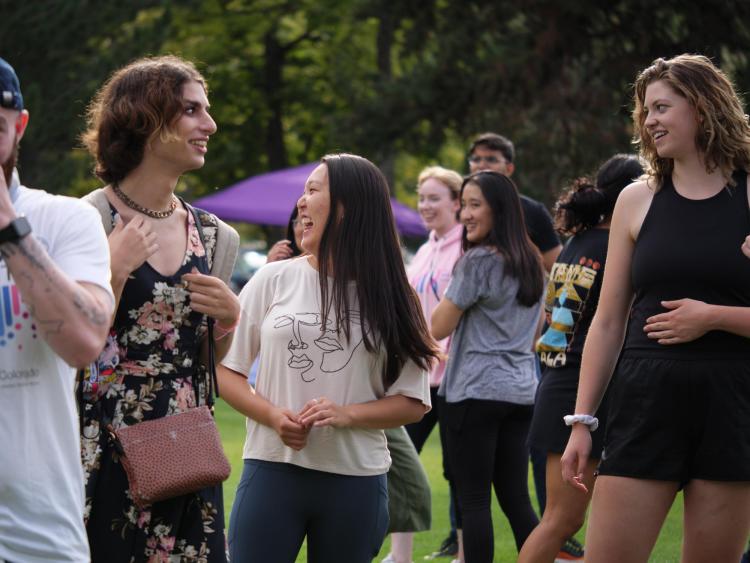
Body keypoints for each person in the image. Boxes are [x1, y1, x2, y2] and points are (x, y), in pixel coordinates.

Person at [561, 54, 750, 562]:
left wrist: (713, 317)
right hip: (646, 399)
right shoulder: (635, 199)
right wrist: (582, 420)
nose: (649, 122)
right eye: (645, 111)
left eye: (662, 107)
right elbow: (606, 320)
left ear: (703, 109)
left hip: (733, 403)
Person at [219, 153, 438, 563]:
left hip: (356, 479)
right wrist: (272, 417)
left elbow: (412, 401)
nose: (301, 203)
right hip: (272, 468)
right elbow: (227, 371)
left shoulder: (395, 295)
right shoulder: (272, 278)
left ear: (349, 207)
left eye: (313, 190)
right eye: (303, 192)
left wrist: (346, 414)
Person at [78, 56, 240, 562]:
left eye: (205, 110)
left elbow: (207, 360)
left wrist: (229, 319)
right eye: (191, 111)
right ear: (146, 119)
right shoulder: (87, 219)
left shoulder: (216, 237)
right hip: (103, 445)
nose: (208, 125)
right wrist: (113, 272)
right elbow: (63, 342)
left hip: (184, 448)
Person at [0, 57, 114, 563]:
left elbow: (84, 342)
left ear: (18, 126)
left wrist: (8, 227)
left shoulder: (64, 219)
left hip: (36, 535)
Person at [518, 154, 644, 563]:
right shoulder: (615, 247)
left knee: (569, 518)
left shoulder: (579, 243)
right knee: (561, 520)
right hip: (578, 391)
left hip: (558, 383)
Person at [432, 171, 545, 562]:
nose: (464, 214)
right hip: (520, 393)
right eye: (463, 204)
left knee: (474, 499)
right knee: (516, 498)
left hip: (474, 392)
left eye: (474, 204)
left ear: (500, 210)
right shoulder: (532, 262)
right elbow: (537, 333)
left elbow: (438, 326)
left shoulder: (478, 262)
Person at [383, 166, 464, 563]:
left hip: (455, 377)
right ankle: (400, 555)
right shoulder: (426, 248)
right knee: (398, 463)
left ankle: (465, 553)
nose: (426, 205)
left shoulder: (466, 246)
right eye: (422, 197)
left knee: (458, 469)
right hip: (417, 376)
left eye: (435, 198)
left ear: (456, 202)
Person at [467, 132, 561, 272]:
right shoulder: (456, 208)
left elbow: (557, 269)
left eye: (491, 159)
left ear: (509, 168)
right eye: (476, 159)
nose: (481, 165)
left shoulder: (533, 211)